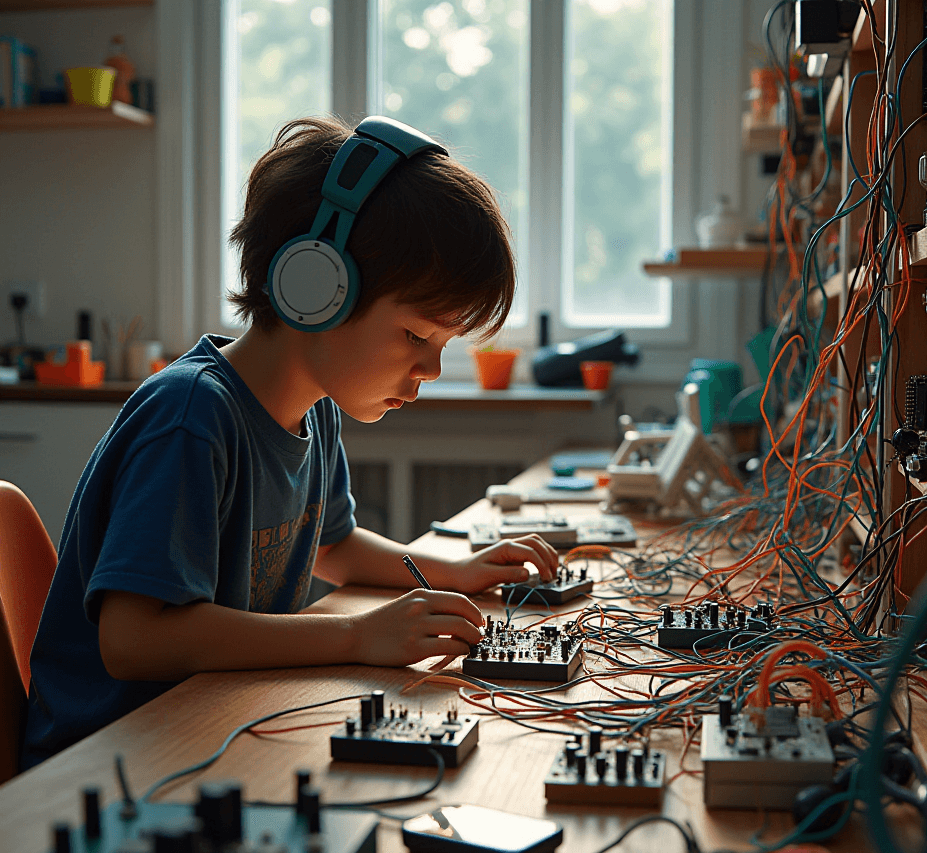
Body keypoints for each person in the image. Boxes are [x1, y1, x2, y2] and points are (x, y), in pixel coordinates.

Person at [22, 115, 558, 768]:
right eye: (418, 336)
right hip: (113, 761)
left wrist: (458, 571)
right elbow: (134, 641)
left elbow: (335, 547)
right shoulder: (192, 416)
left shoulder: (315, 409)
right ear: (316, 289)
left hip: (214, 726)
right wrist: (358, 634)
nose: (430, 372)